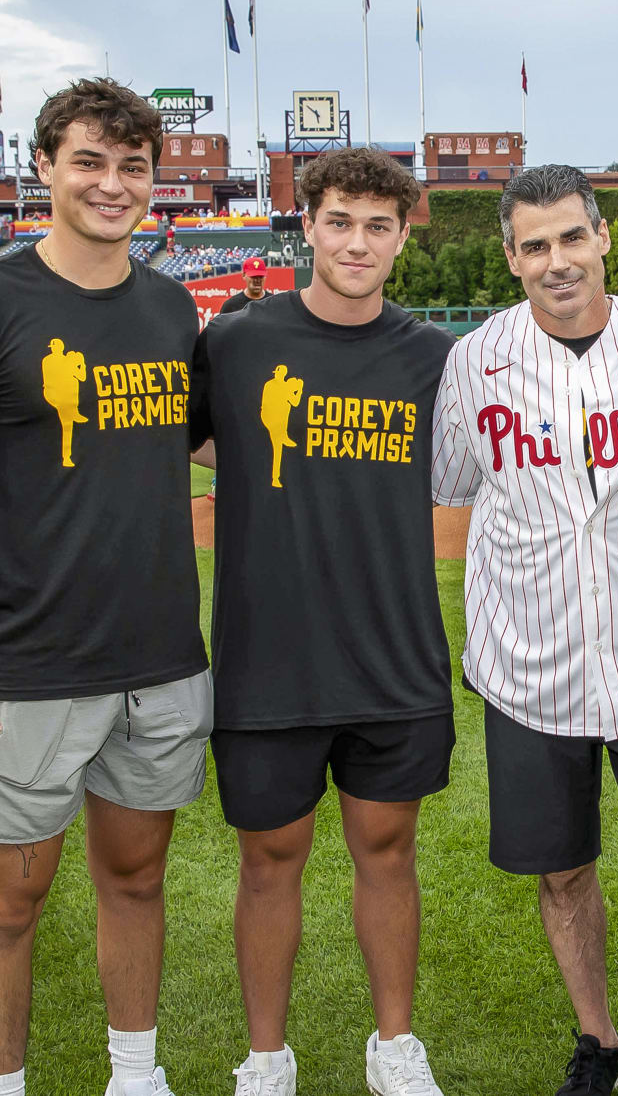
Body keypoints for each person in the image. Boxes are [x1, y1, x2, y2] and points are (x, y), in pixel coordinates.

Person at [0, 78, 210, 1096]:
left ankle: (134, 1076)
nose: (112, 185)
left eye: (132, 167)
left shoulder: (168, 305)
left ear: (154, 180)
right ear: (44, 168)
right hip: (24, 668)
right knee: (5, 907)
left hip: (159, 661)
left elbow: (197, 450)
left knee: (138, 879)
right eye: (89, 161)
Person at [431, 165, 618, 1096]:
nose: (555, 261)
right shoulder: (474, 359)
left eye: (569, 238)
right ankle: (600, 1045)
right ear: (512, 258)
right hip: (529, 667)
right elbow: (452, 487)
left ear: (600, 237)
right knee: (563, 878)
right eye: (533, 246)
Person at [190, 148, 453, 1096]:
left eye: (378, 226)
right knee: (270, 862)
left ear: (401, 236)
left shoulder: (434, 358)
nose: (357, 242)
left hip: (394, 658)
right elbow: (146, 453)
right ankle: (267, 1058)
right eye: (339, 221)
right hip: (270, 660)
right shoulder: (236, 343)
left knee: (388, 853)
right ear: (307, 225)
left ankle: (394, 1048)